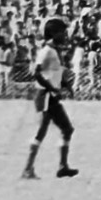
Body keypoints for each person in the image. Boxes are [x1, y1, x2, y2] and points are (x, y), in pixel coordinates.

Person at [22, 18, 79, 180]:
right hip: (45, 96)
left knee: (67, 129)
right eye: (63, 32)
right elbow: (37, 73)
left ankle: (63, 167)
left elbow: (54, 73)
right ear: (54, 33)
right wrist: (52, 88)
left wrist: (65, 85)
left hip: (52, 96)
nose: (65, 35)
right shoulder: (46, 51)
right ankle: (27, 169)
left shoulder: (55, 50)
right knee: (41, 131)